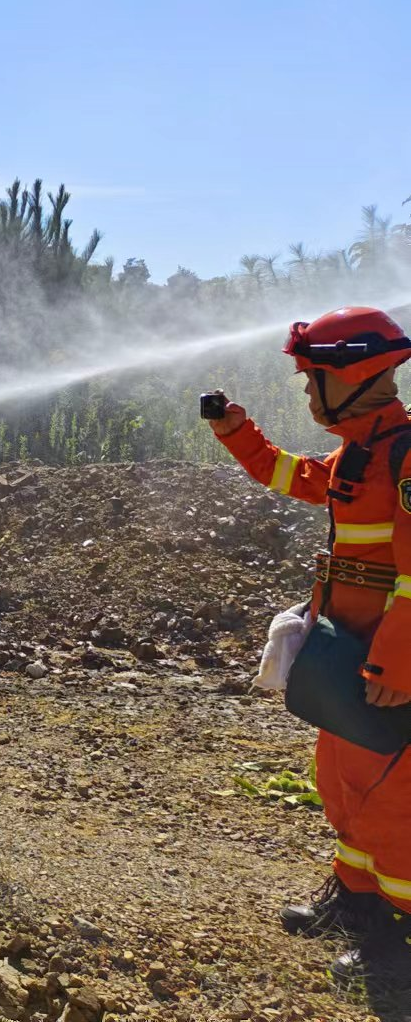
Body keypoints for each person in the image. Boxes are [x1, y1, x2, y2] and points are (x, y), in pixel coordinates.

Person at [210, 307, 411, 977]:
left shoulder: (407, 456)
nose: (305, 391)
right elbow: (295, 477)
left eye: (313, 377)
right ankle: (354, 904)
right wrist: (239, 436)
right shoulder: (360, 453)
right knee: (344, 784)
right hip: (348, 656)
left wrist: (399, 660)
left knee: (393, 804)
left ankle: (396, 949)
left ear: (352, 376)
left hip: (388, 667)